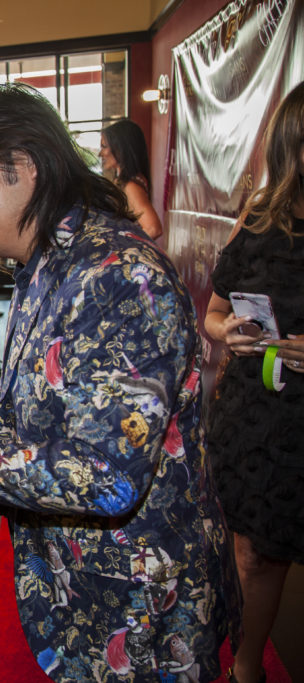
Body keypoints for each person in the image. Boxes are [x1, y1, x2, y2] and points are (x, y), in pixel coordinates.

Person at [0, 84, 239, 683]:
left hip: (140, 612)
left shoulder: (118, 276)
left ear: (24, 164)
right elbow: (24, 394)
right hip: (79, 589)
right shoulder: (44, 269)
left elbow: (107, 477)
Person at [203, 80, 304, 683]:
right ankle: (246, 667)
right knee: (253, 553)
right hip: (255, 412)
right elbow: (213, 311)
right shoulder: (260, 217)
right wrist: (226, 334)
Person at [100, 119, 163, 242]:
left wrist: (123, 248)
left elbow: (153, 228)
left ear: (120, 148)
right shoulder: (124, 181)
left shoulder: (130, 186)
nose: (100, 153)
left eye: (104, 146)